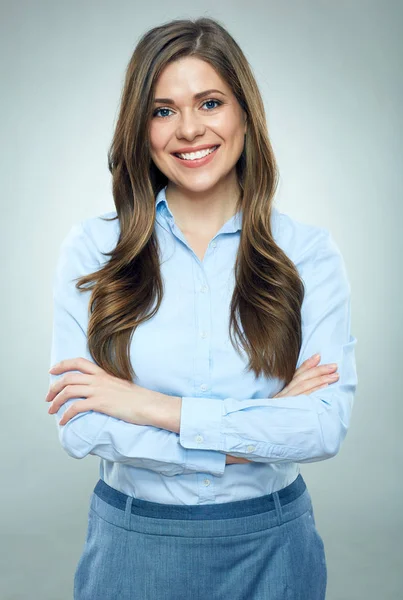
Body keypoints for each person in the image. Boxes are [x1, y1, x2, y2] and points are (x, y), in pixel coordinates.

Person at [46, 16, 358, 600]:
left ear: (244, 113)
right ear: (140, 129)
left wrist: (148, 406)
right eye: (162, 110)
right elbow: (83, 425)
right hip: (133, 547)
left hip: (273, 548)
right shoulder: (94, 251)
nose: (188, 129)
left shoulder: (308, 255)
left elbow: (320, 428)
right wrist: (261, 423)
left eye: (209, 102)